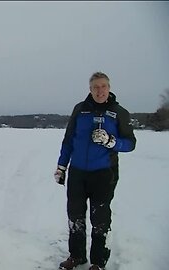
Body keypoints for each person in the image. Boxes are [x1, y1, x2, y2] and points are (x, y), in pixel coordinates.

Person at [54, 72, 136, 270]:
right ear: (90, 89)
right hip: (78, 172)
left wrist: (111, 141)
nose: (100, 91)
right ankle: (76, 256)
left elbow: (131, 143)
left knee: (100, 218)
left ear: (109, 88)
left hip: (103, 173)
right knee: (75, 216)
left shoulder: (119, 112)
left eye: (103, 86)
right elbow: (68, 140)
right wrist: (61, 166)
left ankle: (98, 262)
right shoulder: (80, 110)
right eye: (95, 87)